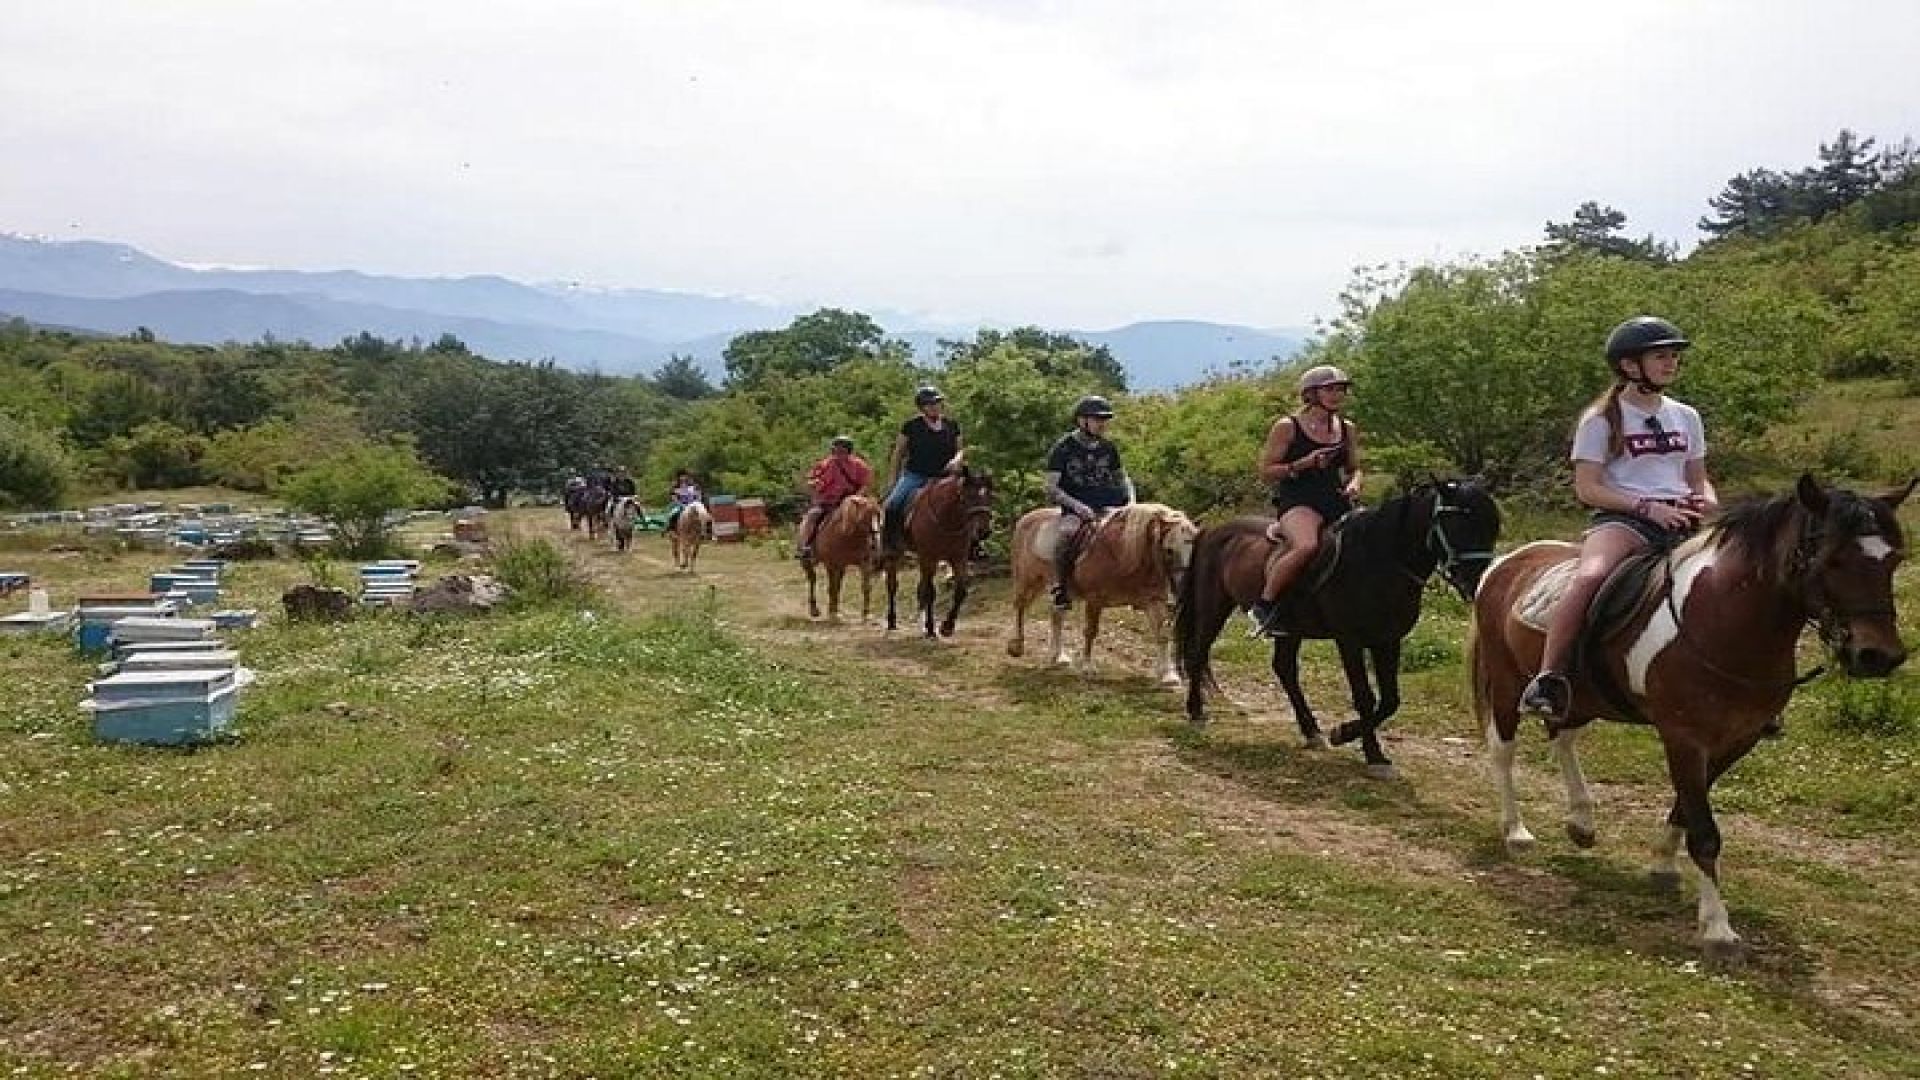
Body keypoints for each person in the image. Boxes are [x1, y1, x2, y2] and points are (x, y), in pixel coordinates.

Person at [1518, 316, 1719, 728]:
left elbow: (1697, 477)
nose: (1671, 363)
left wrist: (1707, 499)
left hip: (1683, 520)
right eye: (1660, 356)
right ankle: (1549, 679)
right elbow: (1588, 488)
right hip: (1623, 521)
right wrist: (1647, 508)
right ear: (1630, 365)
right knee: (1590, 577)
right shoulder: (1600, 420)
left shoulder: (1686, 416)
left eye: (1674, 356)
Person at [1248, 364, 1367, 636]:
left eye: (1341, 389)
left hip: (1336, 500)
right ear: (1311, 394)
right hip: (1299, 500)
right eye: (1330, 389)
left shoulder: (1346, 428)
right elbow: (1266, 472)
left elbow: (1354, 468)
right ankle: (1264, 607)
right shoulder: (1287, 427)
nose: (1337, 395)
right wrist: (1303, 464)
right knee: (1306, 546)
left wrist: (1354, 483)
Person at [1044, 395, 1135, 609]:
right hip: (1076, 508)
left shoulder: (1108, 448)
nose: (1102, 424)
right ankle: (1061, 588)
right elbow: (1051, 487)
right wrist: (1076, 506)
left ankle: (1136, 585)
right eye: (1097, 419)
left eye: (1105, 420)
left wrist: (1131, 501)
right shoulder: (1063, 448)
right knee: (1066, 536)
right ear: (1082, 421)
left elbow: (1122, 478)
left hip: (1109, 505)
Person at [881, 385, 966, 553]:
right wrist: (893, 479)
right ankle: (891, 544)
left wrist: (957, 460)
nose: (935, 407)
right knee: (893, 504)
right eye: (930, 404)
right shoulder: (911, 426)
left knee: (970, 501)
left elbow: (961, 449)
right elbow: (898, 453)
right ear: (922, 407)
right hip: (916, 475)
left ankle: (973, 545)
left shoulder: (951, 425)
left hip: (945, 476)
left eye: (937, 403)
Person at [796, 436, 873, 560]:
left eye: (841, 450)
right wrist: (814, 483)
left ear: (848, 451)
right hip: (829, 502)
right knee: (812, 516)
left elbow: (866, 484)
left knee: (872, 516)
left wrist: (856, 497)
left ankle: (877, 547)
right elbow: (811, 479)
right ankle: (807, 546)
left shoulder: (859, 465)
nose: (838, 453)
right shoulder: (825, 464)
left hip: (853, 502)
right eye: (835, 450)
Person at [664, 469, 704, 534]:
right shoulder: (675, 486)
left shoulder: (693, 485)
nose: (683, 478)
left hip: (693, 503)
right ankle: (670, 528)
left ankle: (706, 529)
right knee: (673, 514)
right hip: (680, 504)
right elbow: (674, 498)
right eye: (681, 476)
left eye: (684, 476)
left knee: (703, 512)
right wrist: (682, 505)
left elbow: (699, 495)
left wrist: (697, 501)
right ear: (678, 477)